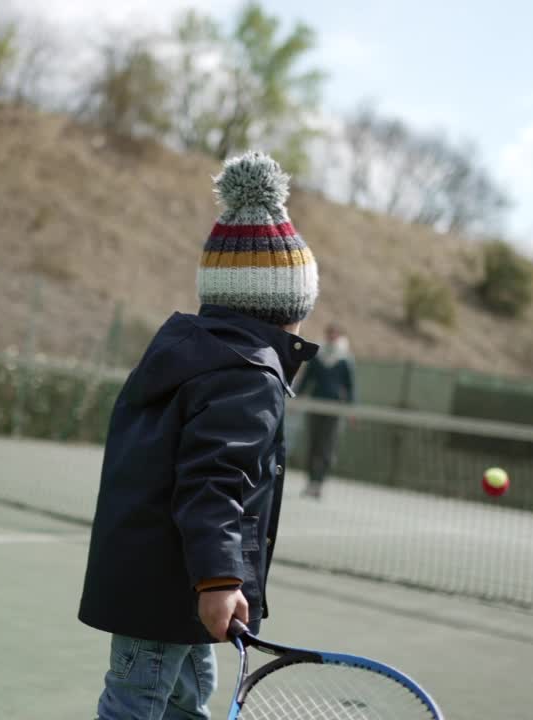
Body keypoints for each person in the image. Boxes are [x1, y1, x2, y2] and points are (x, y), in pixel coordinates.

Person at [78, 151, 319, 720]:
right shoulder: (249, 375)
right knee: (137, 703)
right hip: (176, 583)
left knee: (185, 697)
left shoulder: (187, 352)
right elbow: (215, 481)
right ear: (285, 306)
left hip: (154, 577)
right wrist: (219, 580)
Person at [294, 324, 354, 499]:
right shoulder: (317, 356)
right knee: (313, 444)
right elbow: (306, 381)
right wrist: (296, 399)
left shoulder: (345, 359)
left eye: (335, 334)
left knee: (327, 447)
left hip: (333, 410)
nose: (331, 337)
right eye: (329, 334)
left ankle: (320, 483)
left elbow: (350, 387)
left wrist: (351, 410)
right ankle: (311, 482)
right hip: (316, 407)